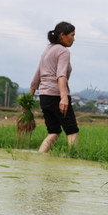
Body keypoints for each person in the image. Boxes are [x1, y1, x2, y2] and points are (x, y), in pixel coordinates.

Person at [30, 21, 77, 153]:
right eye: (72, 35)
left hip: (44, 96)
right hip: (57, 95)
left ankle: (40, 157)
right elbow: (61, 75)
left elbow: (36, 77)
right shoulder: (63, 52)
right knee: (72, 130)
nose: (74, 39)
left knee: (54, 132)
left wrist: (29, 98)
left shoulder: (47, 50)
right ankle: (72, 160)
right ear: (62, 35)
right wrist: (64, 98)